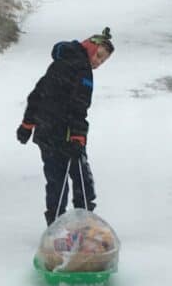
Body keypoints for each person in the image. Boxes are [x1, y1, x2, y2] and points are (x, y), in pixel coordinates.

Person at [16, 27, 114, 225]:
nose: (98, 62)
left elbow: (37, 95)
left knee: (56, 181)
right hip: (67, 136)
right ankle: (84, 223)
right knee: (82, 181)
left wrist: (27, 124)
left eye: (103, 61)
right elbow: (79, 107)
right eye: (98, 56)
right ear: (90, 47)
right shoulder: (83, 71)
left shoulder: (59, 63)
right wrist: (78, 137)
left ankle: (56, 223)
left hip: (46, 133)